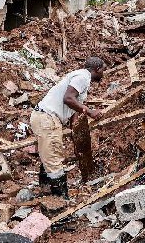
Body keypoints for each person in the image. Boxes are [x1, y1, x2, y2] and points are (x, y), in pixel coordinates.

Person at [29, 57, 105, 198]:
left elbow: (73, 109)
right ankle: (60, 200)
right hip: (47, 118)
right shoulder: (83, 77)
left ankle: (46, 191)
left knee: (49, 154)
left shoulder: (80, 77)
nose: (103, 73)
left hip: (47, 118)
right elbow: (68, 99)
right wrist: (90, 112)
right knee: (53, 158)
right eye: (103, 70)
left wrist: (75, 134)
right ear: (97, 69)